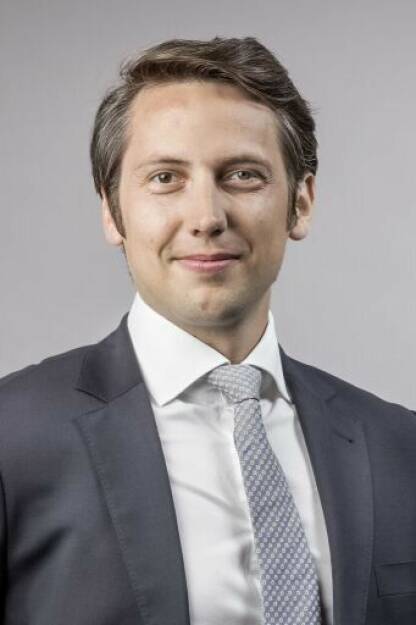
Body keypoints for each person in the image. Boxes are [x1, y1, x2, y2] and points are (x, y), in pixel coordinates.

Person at [0, 36, 415, 625]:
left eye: (243, 175)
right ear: (112, 212)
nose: (206, 217)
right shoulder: (11, 439)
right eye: (166, 178)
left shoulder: (401, 447)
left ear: (301, 203)